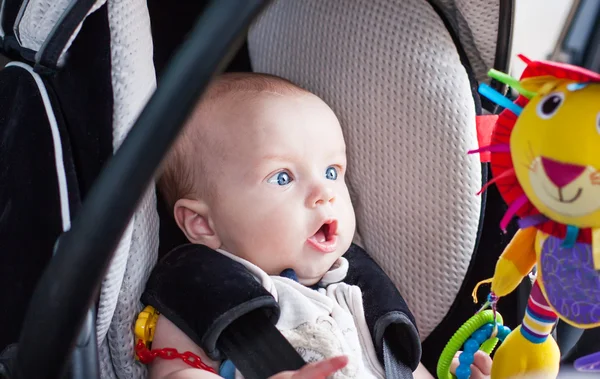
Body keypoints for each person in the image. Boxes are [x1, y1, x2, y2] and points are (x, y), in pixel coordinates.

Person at [146, 72, 492, 378]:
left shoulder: (360, 297)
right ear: (202, 224)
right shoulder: (199, 296)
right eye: (282, 177)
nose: (324, 193)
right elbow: (175, 372)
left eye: (331, 172)